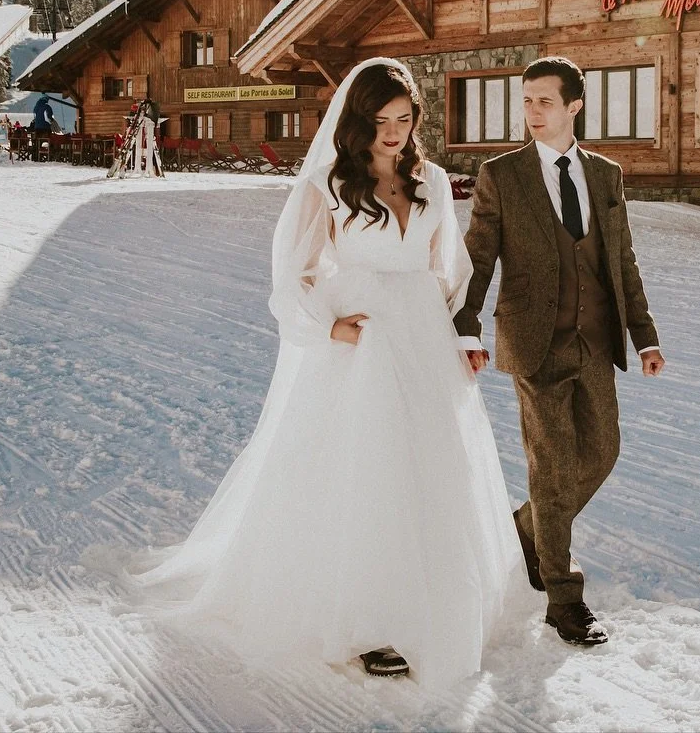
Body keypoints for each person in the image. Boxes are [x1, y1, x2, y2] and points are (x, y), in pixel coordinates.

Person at [126, 57, 521, 683]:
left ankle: (439, 606)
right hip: (360, 341)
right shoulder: (331, 184)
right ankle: (364, 621)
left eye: (404, 119)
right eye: (381, 120)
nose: (393, 133)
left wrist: (459, 336)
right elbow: (293, 269)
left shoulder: (436, 182)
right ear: (357, 119)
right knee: (366, 474)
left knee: (431, 469)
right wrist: (323, 325)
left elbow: (452, 272)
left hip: (420, 335)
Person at [456, 55, 665, 647]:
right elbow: (478, 258)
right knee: (550, 466)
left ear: (574, 105)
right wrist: (465, 326)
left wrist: (645, 334)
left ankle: (527, 526)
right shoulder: (503, 174)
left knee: (602, 452)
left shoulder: (605, 175)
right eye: (526, 101)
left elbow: (620, 259)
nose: (533, 112)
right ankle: (562, 596)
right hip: (535, 343)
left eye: (544, 101)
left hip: (596, 339)